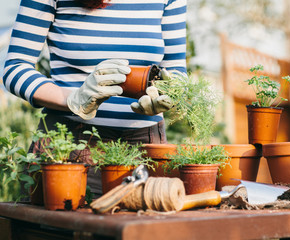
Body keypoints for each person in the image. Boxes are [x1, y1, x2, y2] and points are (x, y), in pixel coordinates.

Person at [2, 0, 187, 197]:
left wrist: (168, 95)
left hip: (146, 146)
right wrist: (73, 99)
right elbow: (16, 67)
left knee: (144, 225)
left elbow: (176, 70)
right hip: (68, 146)